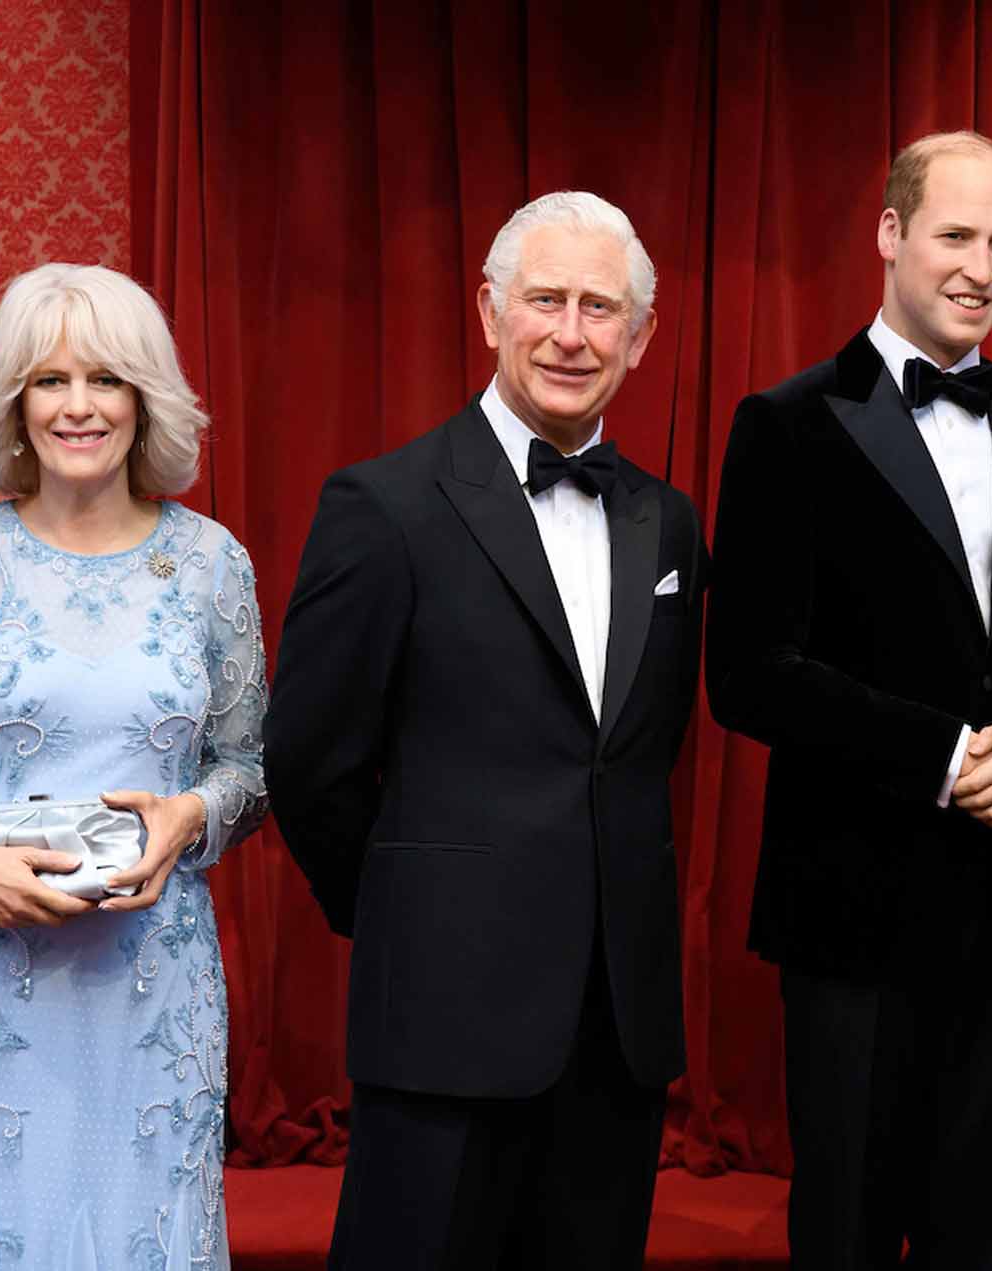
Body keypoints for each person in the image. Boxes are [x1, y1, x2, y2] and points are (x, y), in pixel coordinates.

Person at [705, 131, 992, 1269]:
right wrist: (947, 749)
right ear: (891, 235)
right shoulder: (785, 423)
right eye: (956, 235)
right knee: (842, 1230)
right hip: (852, 908)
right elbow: (746, 668)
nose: (981, 266)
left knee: (985, 1237)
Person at [263, 191, 706, 1271]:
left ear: (641, 338)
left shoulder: (671, 518)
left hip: (617, 1032)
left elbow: (641, 757)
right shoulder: (386, 503)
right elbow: (307, 761)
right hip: (441, 1023)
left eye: (600, 308)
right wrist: (415, 913)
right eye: (545, 299)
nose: (570, 332)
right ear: (489, 310)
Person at [0, 263, 268, 1269]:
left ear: (145, 397)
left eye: (106, 378)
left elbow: (249, 766)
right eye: (50, 380)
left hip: (154, 982)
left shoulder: (214, 565)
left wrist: (189, 819)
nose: (79, 405)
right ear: (16, 401)